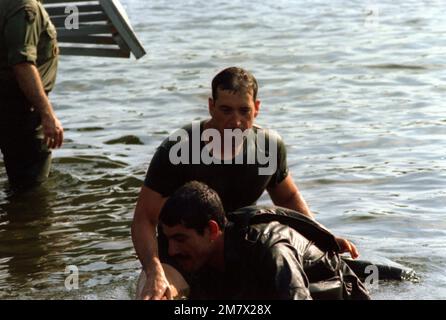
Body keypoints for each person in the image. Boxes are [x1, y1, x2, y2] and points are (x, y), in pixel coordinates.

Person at [132, 67, 358, 299]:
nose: (236, 122)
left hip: (232, 253)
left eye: (244, 111)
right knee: (157, 296)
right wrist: (154, 270)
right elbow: (144, 219)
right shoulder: (179, 149)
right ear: (211, 106)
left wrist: (323, 237)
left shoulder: (267, 147)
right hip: (181, 254)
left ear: (257, 109)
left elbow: (288, 198)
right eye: (226, 110)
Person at [151, 181, 370, 300]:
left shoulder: (271, 247)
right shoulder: (196, 256)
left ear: (211, 230)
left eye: (180, 239)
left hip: (338, 289)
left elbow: (297, 296)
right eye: (169, 239)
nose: (173, 250)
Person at [0, 0, 64, 190]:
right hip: (20, 111)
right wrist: (47, 114)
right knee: (31, 190)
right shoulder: (24, 7)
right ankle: (31, 218)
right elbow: (22, 64)